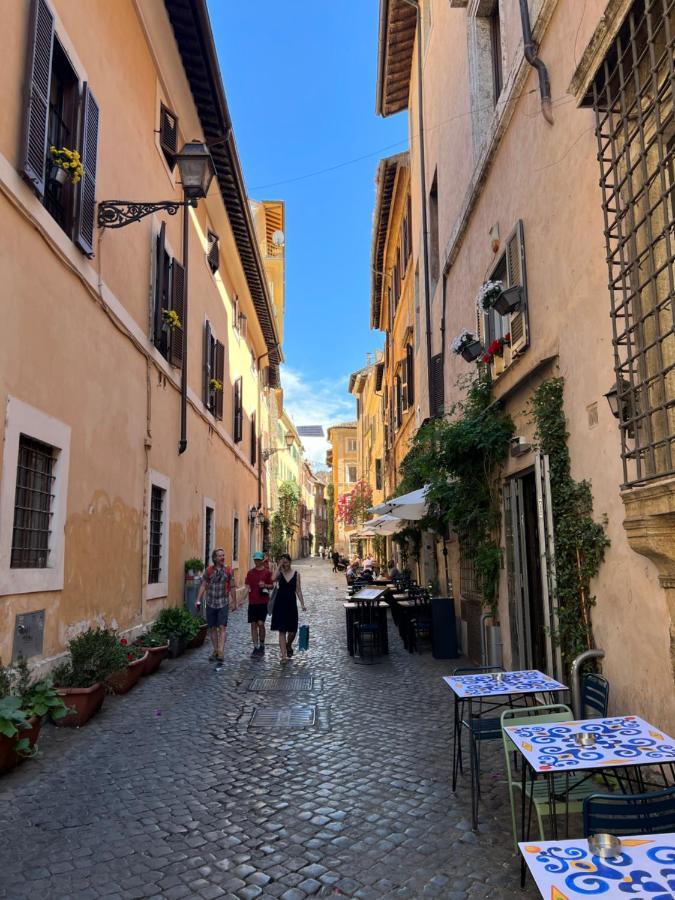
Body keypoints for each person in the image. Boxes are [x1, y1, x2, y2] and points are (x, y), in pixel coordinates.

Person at [196, 548, 236, 663]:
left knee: (222, 627)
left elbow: (232, 586)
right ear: (214, 558)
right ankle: (215, 650)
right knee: (212, 627)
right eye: (220, 556)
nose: (222, 557)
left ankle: (221, 651)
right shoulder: (208, 570)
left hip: (223, 602)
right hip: (210, 602)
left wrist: (234, 601)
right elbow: (203, 585)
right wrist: (198, 599)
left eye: (223, 555)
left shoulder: (228, 570)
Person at [270, 553, 306, 662]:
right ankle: (283, 656)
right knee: (282, 630)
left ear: (290, 562)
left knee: (292, 631)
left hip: (291, 604)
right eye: (283, 562)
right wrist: (279, 566)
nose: (284, 564)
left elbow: (298, 590)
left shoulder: (296, 574)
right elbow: (272, 578)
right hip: (280, 604)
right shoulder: (279, 574)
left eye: (286, 561)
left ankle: (288, 644)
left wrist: (302, 604)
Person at [244, 551, 275, 657]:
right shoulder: (250, 573)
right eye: (255, 559)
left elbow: (272, 586)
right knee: (253, 625)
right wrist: (245, 592)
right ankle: (256, 647)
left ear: (262, 560)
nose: (257, 561)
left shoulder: (267, 573)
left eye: (258, 559)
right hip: (252, 602)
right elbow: (247, 585)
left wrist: (265, 585)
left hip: (263, 602)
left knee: (261, 624)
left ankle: (262, 644)